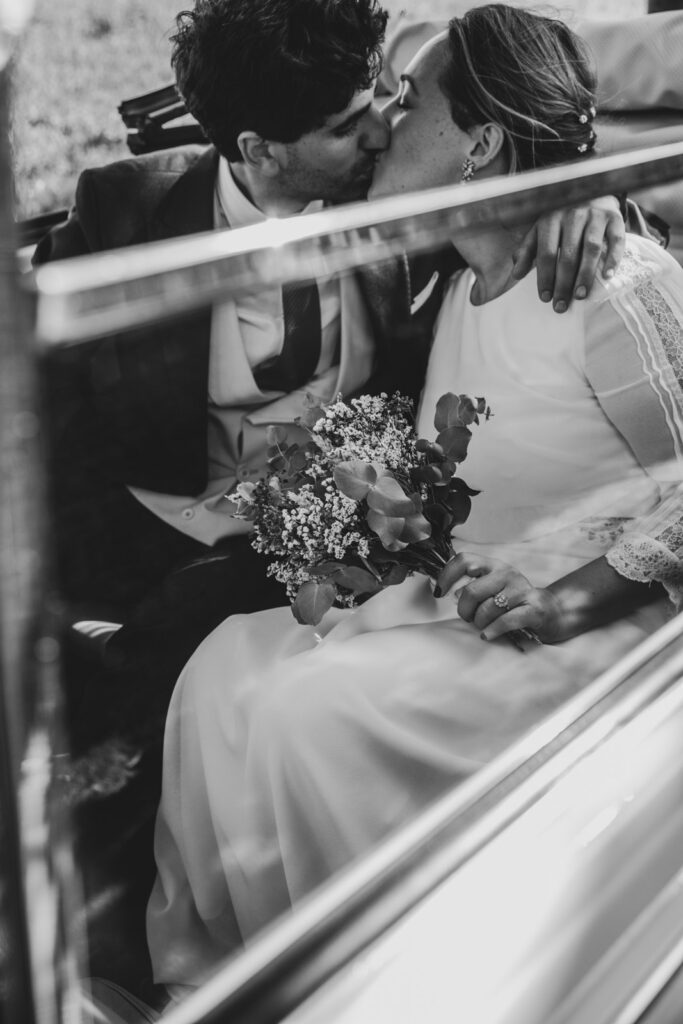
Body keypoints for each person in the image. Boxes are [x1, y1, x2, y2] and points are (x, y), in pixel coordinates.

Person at [146, 3, 683, 991]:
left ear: (479, 143)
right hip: (469, 592)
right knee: (219, 670)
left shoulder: (602, 281)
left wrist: (565, 600)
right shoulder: (451, 268)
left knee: (309, 711)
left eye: (411, 101)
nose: (388, 121)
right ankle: (212, 980)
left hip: (592, 629)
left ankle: (378, 989)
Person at [36, 0, 629, 735]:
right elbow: (42, 421)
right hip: (158, 542)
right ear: (259, 150)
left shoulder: (401, 198)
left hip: (356, 548)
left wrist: (586, 191)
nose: (381, 130)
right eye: (347, 126)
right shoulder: (122, 214)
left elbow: (516, 175)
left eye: (379, 100)